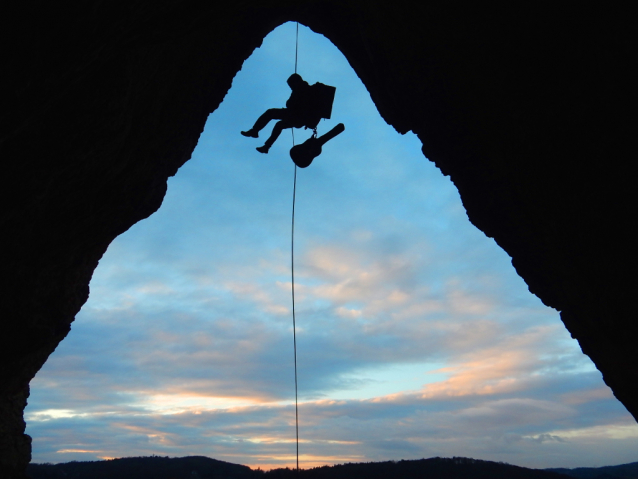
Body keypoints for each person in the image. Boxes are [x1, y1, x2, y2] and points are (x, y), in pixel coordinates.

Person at [241, 74, 333, 154]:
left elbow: (289, 103)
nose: (291, 87)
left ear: (296, 82)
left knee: (271, 113)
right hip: (297, 117)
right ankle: (266, 146)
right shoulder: (303, 89)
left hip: (297, 116)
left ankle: (255, 132)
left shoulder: (303, 90)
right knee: (279, 124)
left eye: (291, 85)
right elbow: (290, 103)